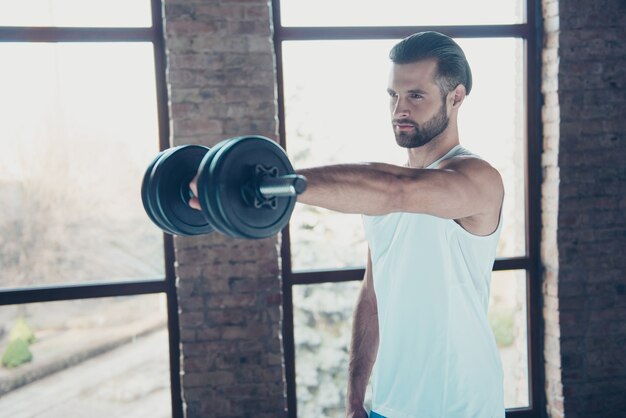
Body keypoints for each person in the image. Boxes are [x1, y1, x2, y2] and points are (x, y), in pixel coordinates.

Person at [190, 31, 505, 418]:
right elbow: (373, 297)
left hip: (462, 405)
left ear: (456, 97)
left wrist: (263, 185)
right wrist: (356, 397)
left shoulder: (477, 179)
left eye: (415, 96)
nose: (399, 109)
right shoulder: (375, 196)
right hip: (388, 405)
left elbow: (398, 190)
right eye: (393, 95)